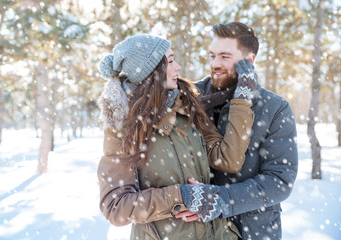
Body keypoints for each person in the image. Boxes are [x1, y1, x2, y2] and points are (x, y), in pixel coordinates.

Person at [97, 34, 256, 239]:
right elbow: (115, 207)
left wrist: (242, 100)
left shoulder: (187, 105)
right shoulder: (123, 126)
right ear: (151, 72)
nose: (178, 67)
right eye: (170, 61)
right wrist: (181, 197)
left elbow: (228, 159)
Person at [179, 22, 298, 240]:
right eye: (212, 55)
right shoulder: (189, 99)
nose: (215, 63)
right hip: (193, 231)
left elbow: (280, 181)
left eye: (224, 57)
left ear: (249, 62)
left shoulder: (274, 107)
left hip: (252, 231)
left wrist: (222, 199)